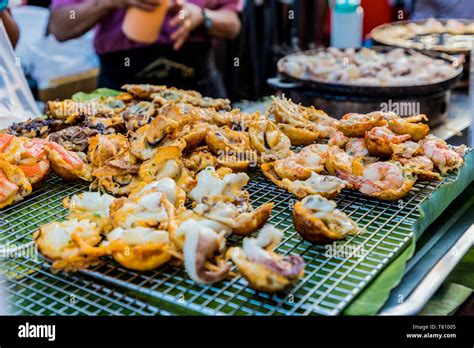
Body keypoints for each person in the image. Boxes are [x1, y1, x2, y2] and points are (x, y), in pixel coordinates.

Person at [48, 0, 242, 97]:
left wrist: (202, 16)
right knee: (116, 167)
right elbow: (60, 26)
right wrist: (108, 3)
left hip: (197, 89)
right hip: (119, 93)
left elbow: (233, 24)